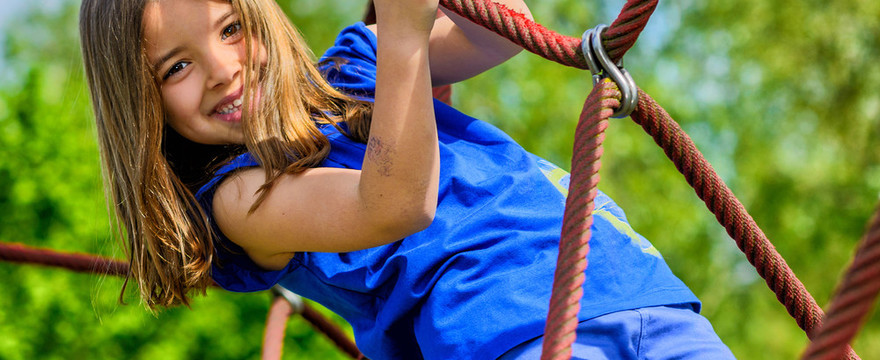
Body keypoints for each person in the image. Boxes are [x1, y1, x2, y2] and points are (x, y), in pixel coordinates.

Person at [79, 0, 736, 358]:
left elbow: (503, 31)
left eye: (230, 29)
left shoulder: (357, 65)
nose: (222, 68)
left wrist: (403, 27)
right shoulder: (238, 198)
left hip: (636, 289)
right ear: (141, 105)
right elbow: (395, 204)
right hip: (509, 336)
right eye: (175, 68)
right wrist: (400, 37)